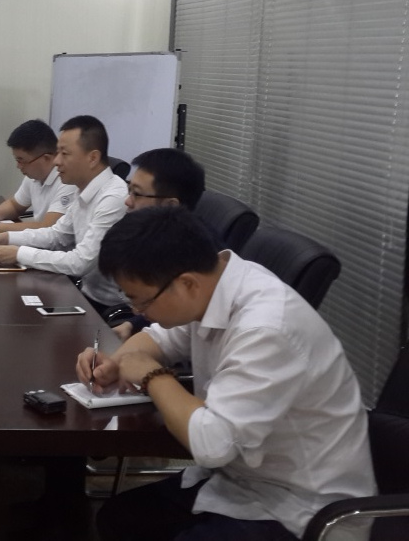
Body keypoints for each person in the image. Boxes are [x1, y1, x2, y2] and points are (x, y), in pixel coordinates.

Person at [77, 207, 375, 541]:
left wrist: (152, 375)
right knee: (119, 519)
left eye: (141, 302)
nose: (138, 312)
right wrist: (116, 362)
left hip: (303, 508)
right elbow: (160, 339)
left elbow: (212, 444)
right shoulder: (213, 286)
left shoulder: (267, 328)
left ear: (186, 284)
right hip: (240, 478)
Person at [0, 115, 128, 312]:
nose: (57, 161)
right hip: (84, 293)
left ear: (92, 158)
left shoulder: (113, 198)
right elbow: (56, 235)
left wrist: (19, 253)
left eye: (64, 154)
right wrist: (5, 237)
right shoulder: (83, 189)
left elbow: (81, 262)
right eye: (58, 152)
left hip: (111, 307)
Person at [112, 148, 206, 340]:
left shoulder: (195, 257)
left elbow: (181, 325)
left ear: (170, 205)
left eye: (137, 194)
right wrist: (132, 325)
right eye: (129, 190)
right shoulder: (160, 239)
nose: (128, 201)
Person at [0, 119, 75, 234]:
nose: (18, 166)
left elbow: (48, 227)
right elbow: (15, 205)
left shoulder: (68, 181)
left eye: (22, 160)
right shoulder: (33, 177)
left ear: (46, 158)